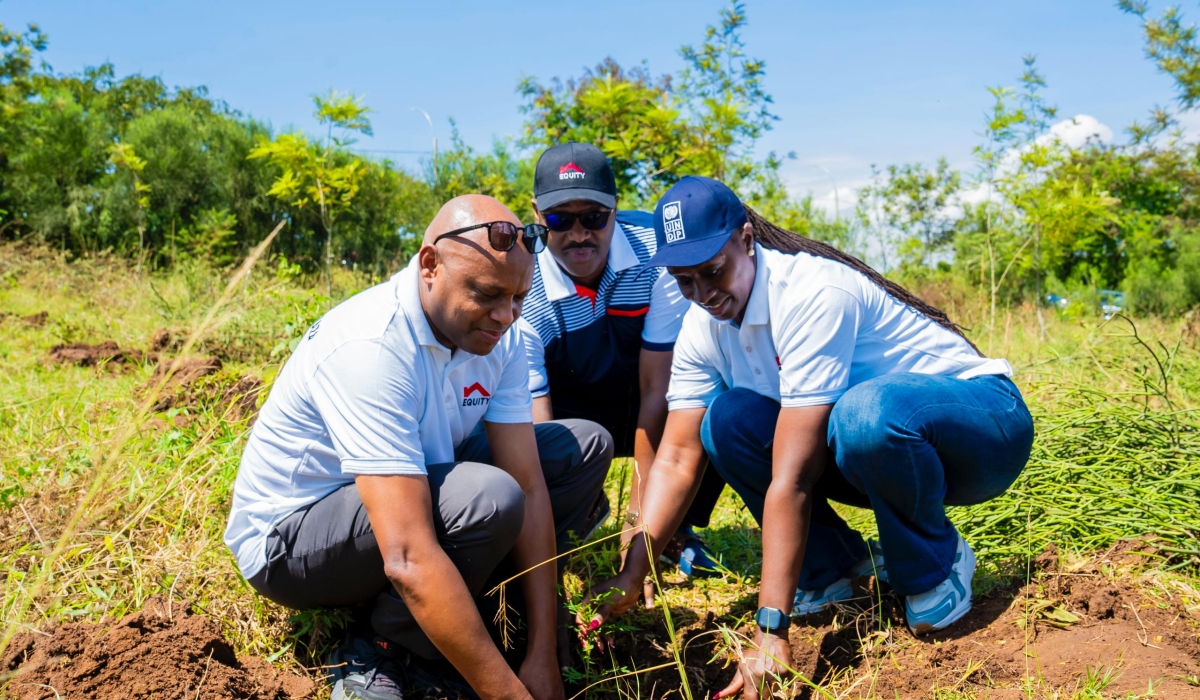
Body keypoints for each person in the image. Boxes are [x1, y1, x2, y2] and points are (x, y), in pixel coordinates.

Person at [578, 177, 1034, 699]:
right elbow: (678, 457)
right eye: (685, 281)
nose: (703, 295)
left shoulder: (812, 294)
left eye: (713, 271)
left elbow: (793, 476)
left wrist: (770, 629)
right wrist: (634, 574)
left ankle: (934, 562)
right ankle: (833, 567)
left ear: (746, 239)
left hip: (984, 427)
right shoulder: (704, 328)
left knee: (865, 414)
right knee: (726, 421)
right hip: (880, 450)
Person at [224, 195, 613, 700]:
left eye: (519, 296)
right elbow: (408, 554)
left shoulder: (505, 333)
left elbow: (531, 483)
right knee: (487, 498)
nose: (506, 315)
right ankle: (383, 644)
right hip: (291, 542)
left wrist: (541, 649)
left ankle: (489, 609)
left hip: (409, 496)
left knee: (579, 447)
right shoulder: (371, 346)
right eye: (487, 294)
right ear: (430, 265)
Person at [518, 142, 724, 580]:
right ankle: (574, 519)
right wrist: (567, 493)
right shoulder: (520, 277)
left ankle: (673, 528)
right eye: (560, 220)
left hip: (642, 397)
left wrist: (642, 518)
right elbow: (537, 426)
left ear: (615, 208)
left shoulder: (656, 254)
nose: (578, 234)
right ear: (537, 214)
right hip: (566, 411)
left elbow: (659, 390)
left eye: (594, 218)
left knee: (713, 400)